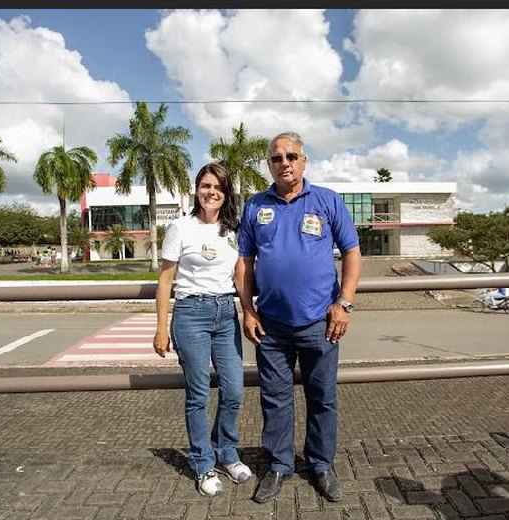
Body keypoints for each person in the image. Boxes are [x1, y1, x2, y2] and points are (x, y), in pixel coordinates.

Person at [236, 131, 362, 503]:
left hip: (320, 323)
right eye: (277, 158)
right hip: (270, 325)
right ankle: (278, 466)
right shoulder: (255, 206)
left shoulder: (327, 200)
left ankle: (321, 465)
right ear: (270, 164)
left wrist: (345, 303)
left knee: (322, 397)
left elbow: (352, 252)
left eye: (292, 156)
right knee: (275, 400)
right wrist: (247, 309)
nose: (285, 163)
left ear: (304, 161)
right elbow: (244, 262)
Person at [152, 163, 252, 497]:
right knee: (198, 395)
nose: (212, 192)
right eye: (206, 186)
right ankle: (202, 463)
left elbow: (239, 276)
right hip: (191, 314)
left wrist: (249, 310)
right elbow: (165, 280)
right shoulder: (181, 228)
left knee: (234, 390)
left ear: (226, 194)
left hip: (226, 313)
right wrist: (161, 327)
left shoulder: (232, 229)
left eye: (218, 187)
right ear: (197, 188)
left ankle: (226, 452)